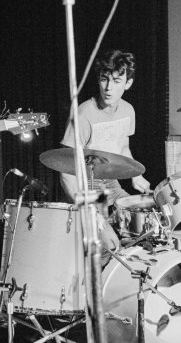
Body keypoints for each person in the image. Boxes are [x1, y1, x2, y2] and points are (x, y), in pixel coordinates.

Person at [60, 49, 151, 259]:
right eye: (104, 79)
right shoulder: (83, 114)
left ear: (128, 83)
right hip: (87, 190)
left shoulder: (128, 111)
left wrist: (136, 175)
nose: (108, 88)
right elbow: (65, 172)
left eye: (117, 81)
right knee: (110, 244)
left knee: (147, 226)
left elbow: (122, 147)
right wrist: (88, 211)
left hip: (113, 187)